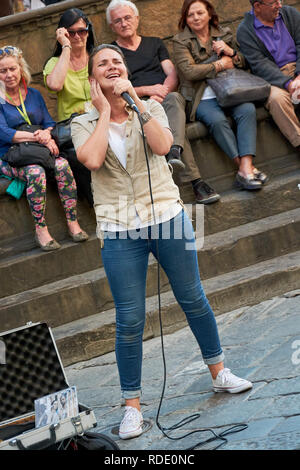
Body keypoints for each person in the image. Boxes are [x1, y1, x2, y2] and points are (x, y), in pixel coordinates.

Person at [71, 44, 253, 440]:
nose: (113, 66)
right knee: (129, 319)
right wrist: (105, 112)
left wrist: (134, 101)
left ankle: (219, 372)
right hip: (119, 226)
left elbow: (160, 144)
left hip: (167, 215)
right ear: (92, 78)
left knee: (193, 297)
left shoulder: (149, 107)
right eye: (103, 63)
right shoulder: (83, 121)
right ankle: (132, 407)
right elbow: (91, 160)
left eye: (117, 62)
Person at [106, 0, 220, 205]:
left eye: (127, 17)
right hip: (133, 105)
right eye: (118, 20)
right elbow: (115, 84)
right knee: (169, 125)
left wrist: (162, 92)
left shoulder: (154, 43)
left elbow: (172, 73)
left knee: (174, 98)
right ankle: (195, 181)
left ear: (137, 19)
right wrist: (148, 91)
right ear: (112, 26)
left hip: (164, 99)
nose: (124, 23)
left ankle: (175, 151)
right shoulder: (112, 53)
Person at [172, 0, 268, 191]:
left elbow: (244, 62)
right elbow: (189, 72)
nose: (196, 18)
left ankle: (245, 167)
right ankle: (246, 169)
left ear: (209, 14)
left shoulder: (223, 34)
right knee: (217, 121)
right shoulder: (180, 41)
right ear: (185, 19)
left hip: (230, 89)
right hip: (201, 96)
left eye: (200, 13)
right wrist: (220, 64)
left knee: (247, 109)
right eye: (190, 15)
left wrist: (230, 52)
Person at [0, 45, 88, 250]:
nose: (9, 75)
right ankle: (41, 230)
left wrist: (47, 134)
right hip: (7, 156)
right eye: (2, 71)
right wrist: (39, 138)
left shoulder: (33, 94)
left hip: (37, 151)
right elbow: (4, 133)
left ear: (21, 68)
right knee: (35, 172)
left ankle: (72, 222)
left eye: (12, 69)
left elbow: (48, 123)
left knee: (63, 165)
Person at [43, 8, 97, 206]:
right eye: (70, 32)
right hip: (73, 129)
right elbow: (55, 84)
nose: (77, 36)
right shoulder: (54, 63)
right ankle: (98, 207)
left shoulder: (97, 56)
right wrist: (66, 47)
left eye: (81, 31)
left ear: (88, 31)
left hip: (100, 120)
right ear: (63, 33)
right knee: (78, 156)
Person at [237, 1, 300, 151]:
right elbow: (260, 65)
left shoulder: (290, 14)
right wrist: (289, 84)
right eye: (273, 2)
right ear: (257, 6)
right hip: (274, 79)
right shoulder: (245, 31)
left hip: (297, 67)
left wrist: (298, 76)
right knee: (277, 100)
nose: (279, 5)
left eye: (280, 0)